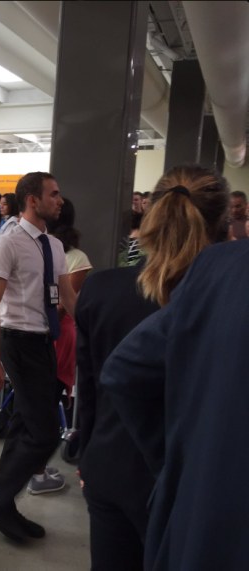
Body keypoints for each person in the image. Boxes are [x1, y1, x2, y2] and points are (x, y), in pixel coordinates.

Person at [98, 166, 231, 571]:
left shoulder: (103, 290)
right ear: (226, 225)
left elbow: (102, 382)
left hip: (110, 469)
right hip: (192, 485)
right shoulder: (222, 299)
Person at [0, 171, 76, 543]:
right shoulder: (8, 242)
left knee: (23, 425)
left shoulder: (53, 245)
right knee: (46, 431)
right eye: (54, 193)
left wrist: (92, 332)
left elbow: (67, 298)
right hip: (17, 340)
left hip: (45, 341)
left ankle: (3, 505)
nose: (59, 200)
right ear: (32, 200)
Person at [25, 197, 93, 495]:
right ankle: (37, 472)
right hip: (59, 336)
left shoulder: (30, 247)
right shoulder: (76, 257)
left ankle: (33, 466)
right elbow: (68, 306)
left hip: (30, 333)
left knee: (34, 401)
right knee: (48, 402)